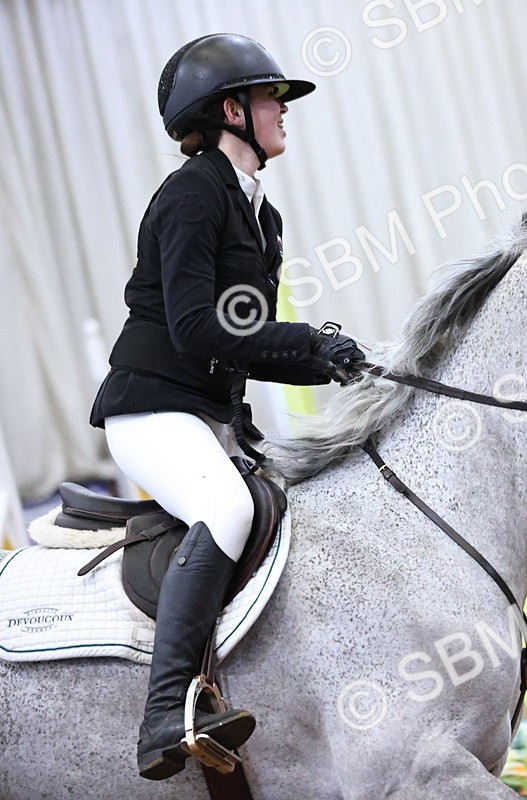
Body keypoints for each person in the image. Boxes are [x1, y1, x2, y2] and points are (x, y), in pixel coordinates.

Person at [88, 33, 364, 780]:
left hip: (208, 415)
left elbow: (237, 346)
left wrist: (331, 361)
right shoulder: (190, 194)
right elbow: (195, 328)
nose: (284, 111)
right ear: (231, 110)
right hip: (150, 410)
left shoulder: (261, 216)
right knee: (229, 510)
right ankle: (163, 715)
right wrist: (308, 337)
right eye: (273, 98)